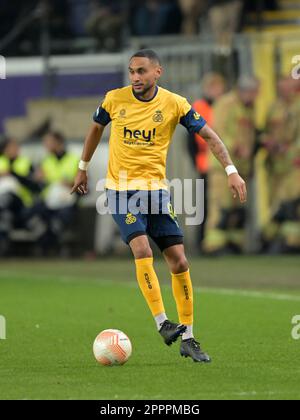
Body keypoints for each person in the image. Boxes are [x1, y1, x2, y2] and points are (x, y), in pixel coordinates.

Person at [71, 49, 247, 363]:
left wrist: (231, 170)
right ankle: (163, 322)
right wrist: (83, 166)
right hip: (120, 190)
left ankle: (189, 338)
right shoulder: (114, 99)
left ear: (157, 72)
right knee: (142, 249)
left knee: (179, 261)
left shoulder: (175, 104)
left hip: (156, 194)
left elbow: (209, 135)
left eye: (141, 71)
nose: (135, 78)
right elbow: (96, 127)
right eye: (131, 72)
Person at [203, 76, 259, 254]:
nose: (256, 97)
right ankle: (214, 245)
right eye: (254, 92)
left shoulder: (248, 108)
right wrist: (236, 147)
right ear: (245, 90)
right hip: (222, 167)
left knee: (237, 209)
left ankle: (233, 244)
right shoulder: (225, 104)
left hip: (241, 167)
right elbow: (216, 131)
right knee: (221, 206)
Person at [188, 73, 227, 250]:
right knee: (205, 204)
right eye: (213, 87)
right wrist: (196, 161)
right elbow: (190, 141)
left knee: (221, 203)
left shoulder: (224, 106)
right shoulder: (200, 107)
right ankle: (202, 241)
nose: (216, 91)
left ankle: (220, 241)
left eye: (218, 87)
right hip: (206, 164)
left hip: (220, 163)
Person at [31, 131, 79, 253]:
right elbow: (39, 185)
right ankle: (44, 245)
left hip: (67, 201)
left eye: (48, 142)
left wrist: (71, 184)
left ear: (58, 142)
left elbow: (84, 186)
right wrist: (37, 179)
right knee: (34, 213)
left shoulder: (74, 159)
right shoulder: (46, 161)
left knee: (60, 219)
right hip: (48, 201)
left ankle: (50, 246)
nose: (45, 145)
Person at [0, 136, 40, 255]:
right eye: (12, 147)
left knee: (7, 198)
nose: (15, 149)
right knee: (5, 214)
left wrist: (12, 174)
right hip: (6, 205)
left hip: (21, 202)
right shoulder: (1, 161)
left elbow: (34, 186)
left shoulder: (26, 162)